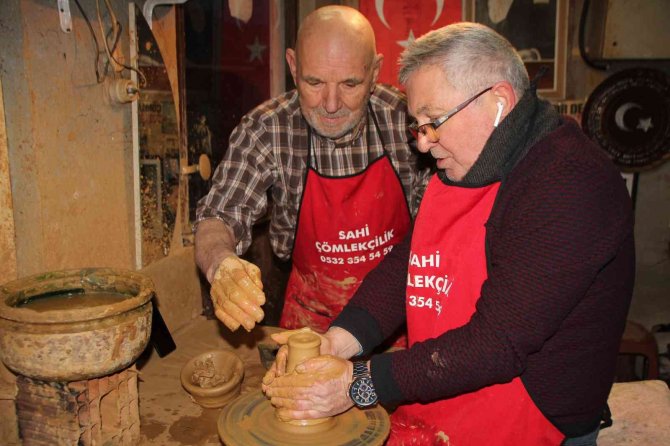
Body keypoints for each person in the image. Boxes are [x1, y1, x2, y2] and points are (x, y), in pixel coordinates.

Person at [262, 22, 635, 446]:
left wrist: (357, 383)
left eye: (433, 122)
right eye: (417, 126)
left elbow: (497, 343)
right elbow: (410, 263)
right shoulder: (470, 160)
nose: (424, 143)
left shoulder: (570, 184)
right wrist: (337, 342)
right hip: (453, 396)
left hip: (538, 422)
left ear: (498, 102)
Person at [195, 6, 430, 333]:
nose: (331, 104)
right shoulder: (267, 130)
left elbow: (449, 218)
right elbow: (218, 214)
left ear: (375, 71)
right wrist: (221, 264)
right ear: (293, 66)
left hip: (396, 319)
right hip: (310, 319)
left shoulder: (410, 123)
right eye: (314, 82)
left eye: (350, 84)